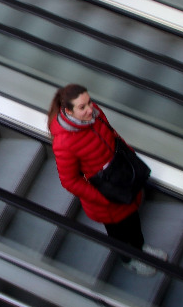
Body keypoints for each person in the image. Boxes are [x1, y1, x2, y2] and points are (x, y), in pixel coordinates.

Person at [48, 83, 167, 276]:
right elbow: (69, 181)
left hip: (122, 178)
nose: (90, 109)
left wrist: (128, 154)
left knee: (133, 219)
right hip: (105, 197)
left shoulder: (95, 114)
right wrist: (102, 198)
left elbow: (111, 134)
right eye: (82, 107)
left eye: (89, 102)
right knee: (119, 233)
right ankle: (129, 260)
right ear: (68, 111)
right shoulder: (64, 143)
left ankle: (141, 248)